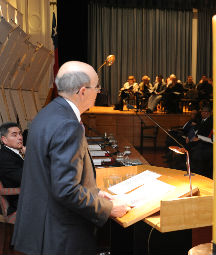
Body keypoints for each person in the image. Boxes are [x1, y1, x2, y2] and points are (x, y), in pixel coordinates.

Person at [12, 61, 131, 255]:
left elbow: (51, 173)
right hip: (60, 234)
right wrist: (107, 208)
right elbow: (66, 189)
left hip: (42, 227)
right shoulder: (68, 125)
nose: (98, 92)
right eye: (97, 87)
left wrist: (94, 192)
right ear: (83, 91)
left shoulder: (47, 113)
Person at [0, 122, 25, 215]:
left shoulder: (15, 153)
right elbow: (25, 178)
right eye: (14, 135)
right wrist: (31, 155)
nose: (20, 137)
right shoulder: (4, 157)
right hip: (19, 202)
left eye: (20, 133)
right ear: (4, 140)